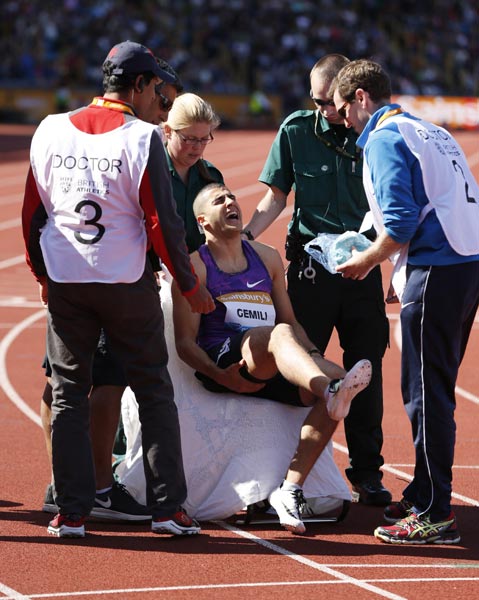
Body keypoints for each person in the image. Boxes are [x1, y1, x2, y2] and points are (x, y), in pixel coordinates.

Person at [22, 40, 214, 539]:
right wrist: (189, 285)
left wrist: (42, 276)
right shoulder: (140, 136)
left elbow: (31, 213)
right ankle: (168, 509)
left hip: (67, 280)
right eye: (159, 91)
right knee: (153, 390)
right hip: (126, 282)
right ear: (140, 85)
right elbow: (161, 221)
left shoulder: (49, 128)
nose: (161, 103)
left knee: (68, 395)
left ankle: (72, 512)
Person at [332, 59, 479, 545]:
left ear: (359, 98)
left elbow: (399, 223)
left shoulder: (384, 138)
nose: (342, 121)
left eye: (341, 108)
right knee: (434, 384)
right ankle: (423, 491)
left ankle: (437, 512)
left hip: (437, 268)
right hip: (464, 262)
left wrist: (366, 262)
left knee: (425, 393)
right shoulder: (426, 129)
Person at [171, 182, 373, 534]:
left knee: (340, 380)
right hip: (226, 361)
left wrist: (310, 358)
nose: (232, 202)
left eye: (232, 197)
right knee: (284, 339)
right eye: (220, 201)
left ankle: (290, 489)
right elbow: (185, 344)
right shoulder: (195, 270)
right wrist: (220, 376)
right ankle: (328, 389)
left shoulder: (266, 257)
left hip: (271, 358)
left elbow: (291, 320)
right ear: (202, 221)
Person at [243, 54, 391, 506]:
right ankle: (283, 468)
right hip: (311, 267)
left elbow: (392, 204)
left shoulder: (375, 137)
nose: (324, 110)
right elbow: (275, 198)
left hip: (364, 263)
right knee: (299, 366)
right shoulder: (296, 130)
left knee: (366, 368)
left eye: (329, 102)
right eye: (316, 101)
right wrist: (244, 241)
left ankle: (367, 472)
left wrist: (393, 265)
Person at [163, 92, 223, 252]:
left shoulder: (211, 177)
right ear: (168, 131)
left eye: (204, 139)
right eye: (189, 138)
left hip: (201, 270)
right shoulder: (149, 173)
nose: (197, 147)